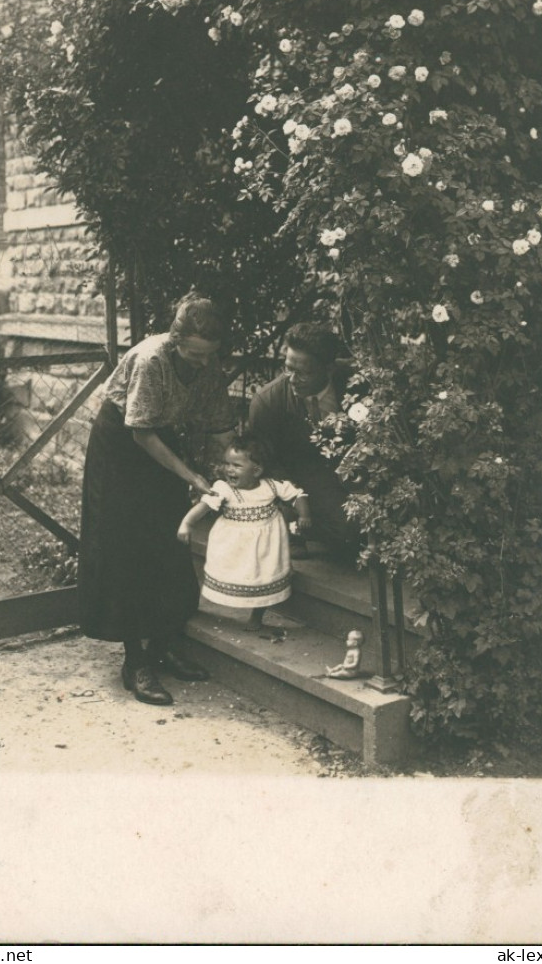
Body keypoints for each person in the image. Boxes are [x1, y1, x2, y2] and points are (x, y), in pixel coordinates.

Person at [77, 294, 235, 706]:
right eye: (196, 355)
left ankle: (164, 646)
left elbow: (221, 427)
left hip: (162, 444)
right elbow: (141, 434)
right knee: (126, 550)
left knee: (169, 544)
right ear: (175, 339)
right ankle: (136, 663)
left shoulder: (207, 361)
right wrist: (192, 476)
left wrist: (242, 468)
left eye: (209, 355)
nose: (204, 363)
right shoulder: (151, 360)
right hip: (121, 448)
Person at [177, 433, 311, 634]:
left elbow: (297, 494)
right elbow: (204, 506)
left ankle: (257, 615)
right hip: (236, 544)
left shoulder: (272, 486)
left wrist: (304, 514)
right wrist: (187, 523)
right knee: (238, 575)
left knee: (264, 578)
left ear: (256, 470)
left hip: (267, 545)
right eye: (226, 464)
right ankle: (227, 601)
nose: (228, 469)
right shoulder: (224, 489)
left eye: (236, 465)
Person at [248, 322, 362, 559]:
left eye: (303, 372)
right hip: (299, 477)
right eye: (288, 368)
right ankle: (297, 529)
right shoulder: (267, 402)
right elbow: (267, 463)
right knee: (349, 528)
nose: (292, 379)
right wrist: (299, 507)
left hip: (353, 470)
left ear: (329, 369)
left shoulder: (356, 383)